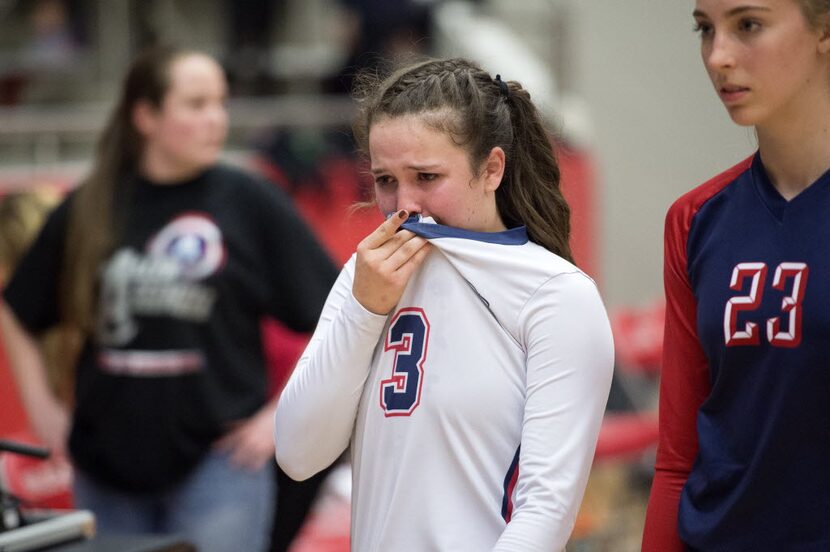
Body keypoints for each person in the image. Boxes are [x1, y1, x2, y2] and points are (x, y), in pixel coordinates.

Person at [0, 45, 338, 552]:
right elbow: (18, 306)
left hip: (218, 471)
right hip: (104, 470)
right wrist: (42, 406)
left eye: (221, 103)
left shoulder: (249, 200)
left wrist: (279, 417)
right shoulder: (92, 205)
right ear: (146, 115)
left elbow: (343, 314)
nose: (216, 119)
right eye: (197, 104)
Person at [274, 57, 614, 551]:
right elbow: (298, 454)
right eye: (385, 180)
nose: (404, 204)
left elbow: (546, 509)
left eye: (427, 177)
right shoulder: (365, 274)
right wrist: (364, 310)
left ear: (491, 169)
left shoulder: (557, 295)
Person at [642, 1, 830, 550]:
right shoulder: (695, 218)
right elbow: (677, 461)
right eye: (705, 29)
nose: (718, 56)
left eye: (748, 25)